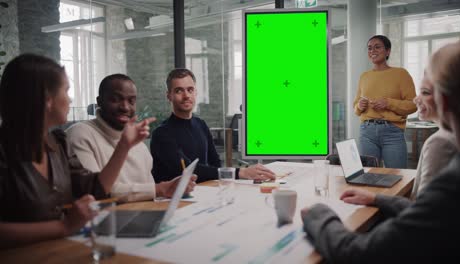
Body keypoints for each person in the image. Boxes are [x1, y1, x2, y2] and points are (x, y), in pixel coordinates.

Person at [301, 39, 460, 263]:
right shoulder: (455, 175)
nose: (419, 98)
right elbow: (428, 211)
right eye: (368, 47)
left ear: (443, 102)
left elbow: (356, 253)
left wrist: (318, 214)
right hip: (368, 129)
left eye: (427, 91)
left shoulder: (455, 179)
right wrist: (378, 198)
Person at [0, 54, 155, 248]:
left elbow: (95, 189)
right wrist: (64, 226)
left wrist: (124, 146)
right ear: (47, 99)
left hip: (61, 251)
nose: (70, 98)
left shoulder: (58, 143)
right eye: (66, 90)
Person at [67, 74, 196, 202]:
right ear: (99, 101)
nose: (125, 107)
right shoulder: (79, 134)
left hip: (144, 215)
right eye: (116, 99)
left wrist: (166, 189)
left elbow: (149, 194)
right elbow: (94, 190)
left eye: (131, 101)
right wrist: (161, 189)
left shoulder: (139, 146)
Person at [150, 68, 275, 183]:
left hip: (205, 192)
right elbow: (188, 171)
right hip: (173, 201)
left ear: (195, 92)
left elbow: (215, 164)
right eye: (179, 91)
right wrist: (240, 172)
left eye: (190, 89)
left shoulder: (200, 124)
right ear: (169, 96)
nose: (186, 95)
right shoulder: (162, 134)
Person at [353, 35, 417, 168]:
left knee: (398, 176)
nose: (372, 51)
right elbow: (356, 107)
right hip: (367, 132)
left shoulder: (401, 74)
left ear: (388, 51)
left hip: (392, 132)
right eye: (369, 48)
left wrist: (389, 103)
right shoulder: (364, 76)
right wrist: (359, 105)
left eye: (377, 47)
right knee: (368, 175)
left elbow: (413, 105)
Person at [410, 73, 457, 199]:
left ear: (445, 98)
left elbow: (424, 212)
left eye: (425, 93)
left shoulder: (440, 142)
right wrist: (376, 198)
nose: (416, 99)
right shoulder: (454, 134)